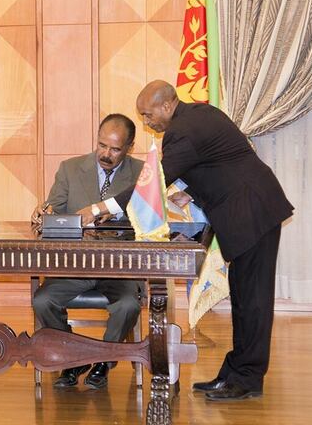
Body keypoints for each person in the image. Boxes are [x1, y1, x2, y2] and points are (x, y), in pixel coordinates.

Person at [92, 80, 293, 402]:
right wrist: (192, 192)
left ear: (166, 105)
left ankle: (247, 379)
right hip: (251, 211)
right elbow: (219, 164)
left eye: (147, 115)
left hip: (252, 214)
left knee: (252, 301)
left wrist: (100, 208)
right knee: (244, 298)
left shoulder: (182, 130)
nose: (146, 123)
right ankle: (235, 372)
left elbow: (152, 183)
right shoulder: (201, 115)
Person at [30, 114, 144, 389]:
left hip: (120, 266)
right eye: (102, 145)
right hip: (75, 264)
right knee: (43, 300)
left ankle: (104, 361)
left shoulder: (142, 172)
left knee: (128, 304)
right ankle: (72, 359)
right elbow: (54, 208)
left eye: (115, 149)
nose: (106, 154)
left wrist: (114, 218)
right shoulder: (70, 169)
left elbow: (148, 220)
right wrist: (41, 211)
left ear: (129, 147)